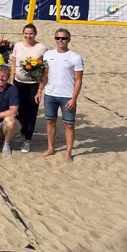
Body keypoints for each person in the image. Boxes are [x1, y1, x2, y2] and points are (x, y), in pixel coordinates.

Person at [36, 28, 84, 163]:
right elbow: (44, 74)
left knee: (69, 125)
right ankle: (51, 148)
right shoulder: (48, 55)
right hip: (50, 94)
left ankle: (68, 152)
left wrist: (74, 99)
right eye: (58, 38)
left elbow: (78, 80)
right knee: (50, 121)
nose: (60, 40)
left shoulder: (75, 57)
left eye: (63, 38)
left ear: (69, 39)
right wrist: (40, 90)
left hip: (67, 96)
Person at [9, 23, 48, 153]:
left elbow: (45, 71)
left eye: (31, 33)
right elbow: (14, 65)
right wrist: (11, 82)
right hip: (18, 83)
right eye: (26, 33)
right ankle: (21, 133)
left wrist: (40, 90)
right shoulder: (18, 46)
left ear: (35, 34)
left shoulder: (41, 48)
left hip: (33, 85)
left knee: (31, 112)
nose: (28, 36)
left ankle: (28, 140)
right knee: (18, 110)